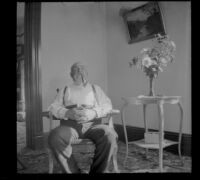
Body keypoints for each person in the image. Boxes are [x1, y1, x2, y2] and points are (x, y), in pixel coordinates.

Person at [48, 62, 118, 173]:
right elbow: (53, 107)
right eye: (75, 72)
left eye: (81, 72)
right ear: (71, 75)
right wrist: (66, 113)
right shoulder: (65, 89)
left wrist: (93, 113)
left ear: (86, 74)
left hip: (93, 126)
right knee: (55, 136)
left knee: (109, 135)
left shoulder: (95, 89)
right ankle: (74, 171)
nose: (78, 75)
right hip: (70, 127)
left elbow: (107, 105)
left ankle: (97, 171)